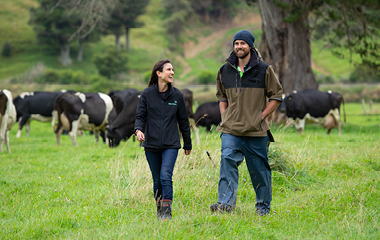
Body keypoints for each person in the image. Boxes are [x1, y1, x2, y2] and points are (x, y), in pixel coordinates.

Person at [210, 30, 283, 216]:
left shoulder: (265, 69)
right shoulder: (224, 70)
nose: (238, 47)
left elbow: (276, 96)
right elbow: (221, 96)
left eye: (242, 43)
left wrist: (261, 116)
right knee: (227, 162)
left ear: (250, 45)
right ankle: (225, 206)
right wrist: (225, 115)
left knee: (259, 171)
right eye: (236, 43)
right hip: (231, 130)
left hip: (256, 132)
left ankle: (263, 209)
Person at [134, 59, 192, 221]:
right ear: (159, 73)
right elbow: (140, 116)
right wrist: (138, 130)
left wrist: (187, 143)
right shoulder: (147, 94)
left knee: (166, 175)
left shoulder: (177, 95)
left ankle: (166, 213)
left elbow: (184, 122)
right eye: (169, 69)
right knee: (157, 179)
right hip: (151, 144)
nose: (172, 72)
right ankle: (159, 209)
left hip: (171, 144)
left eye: (173, 69)